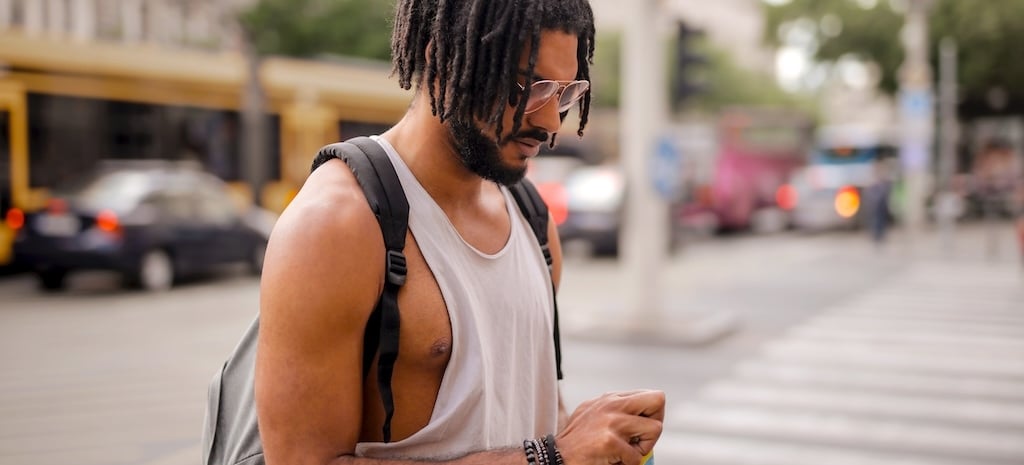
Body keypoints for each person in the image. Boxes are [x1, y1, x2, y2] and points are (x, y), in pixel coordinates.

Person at [255, 1, 666, 465]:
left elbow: (529, 419)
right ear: (440, 60)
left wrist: (592, 438)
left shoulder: (533, 220)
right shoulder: (336, 224)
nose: (551, 122)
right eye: (529, 86)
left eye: (565, 92)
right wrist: (552, 457)